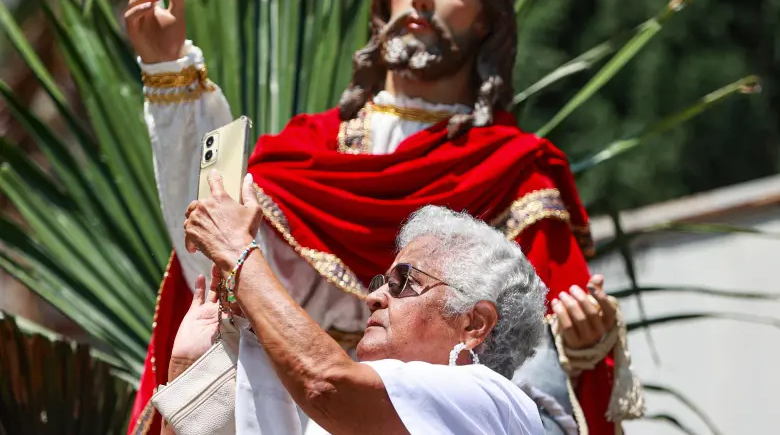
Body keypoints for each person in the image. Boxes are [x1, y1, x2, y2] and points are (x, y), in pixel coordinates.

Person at [126, 0, 644, 434]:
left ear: (485, 20)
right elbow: (210, 246)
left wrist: (586, 339)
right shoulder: (304, 152)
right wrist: (169, 74)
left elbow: (543, 354)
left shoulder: (512, 170)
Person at [172, 183, 548, 435]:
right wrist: (185, 369)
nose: (374, 297)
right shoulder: (345, 412)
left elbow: (324, 382)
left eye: (404, 282)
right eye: (381, 282)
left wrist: (237, 251)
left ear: (474, 324)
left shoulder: (491, 401)